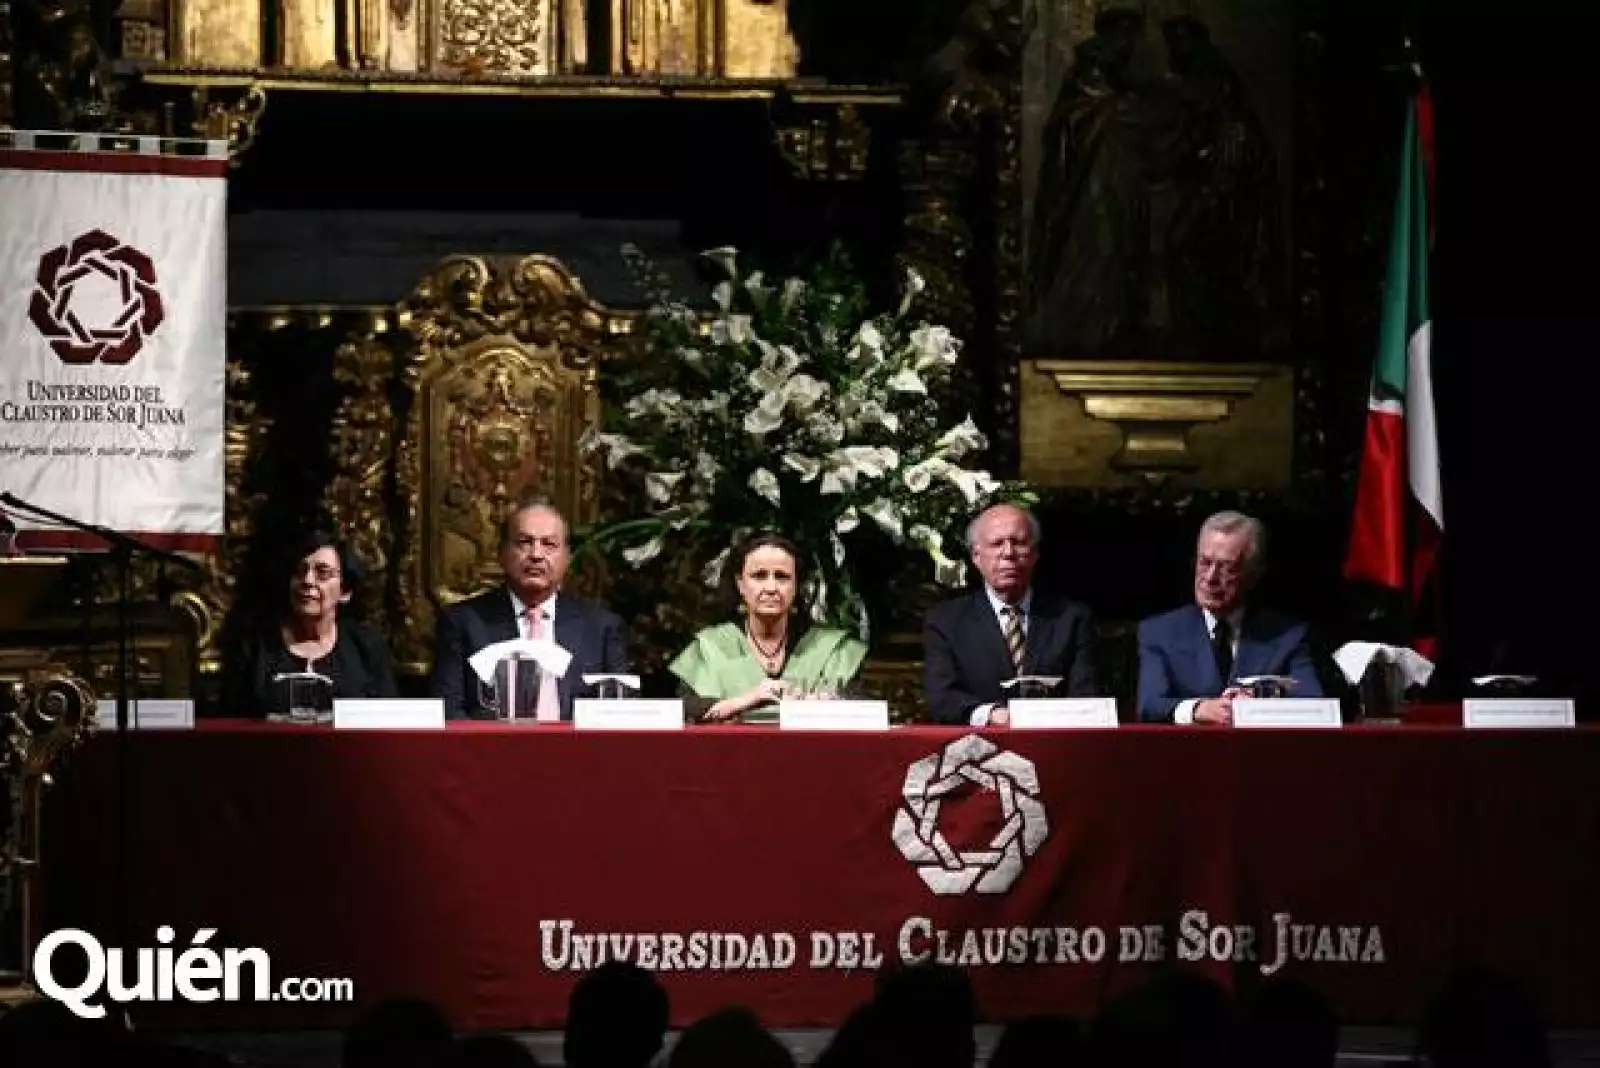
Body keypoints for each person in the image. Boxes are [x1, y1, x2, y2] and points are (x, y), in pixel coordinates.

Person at [432, 502, 631, 720]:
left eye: (549, 545)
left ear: (567, 558)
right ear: (502, 553)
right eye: (524, 543)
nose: (536, 554)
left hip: (577, 752)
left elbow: (619, 715)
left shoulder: (601, 627)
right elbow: (449, 712)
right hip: (493, 751)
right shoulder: (463, 622)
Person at [922, 503, 1100, 726]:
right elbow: (942, 698)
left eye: (1019, 543)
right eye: (997, 544)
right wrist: (993, 715)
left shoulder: (1071, 618)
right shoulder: (946, 621)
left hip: (1054, 744)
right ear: (976, 556)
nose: (1008, 553)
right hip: (979, 749)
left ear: (1035, 554)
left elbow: (1086, 696)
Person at [1137, 510, 1321, 724]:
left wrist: (1258, 703)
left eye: (1227, 568)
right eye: (1204, 562)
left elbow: (1314, 703)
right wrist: (1197, 709)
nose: (1210, 578)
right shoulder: (1159, 632)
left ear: (1253, 576)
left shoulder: (1288, 636)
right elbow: (1149, 705)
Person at [669, 533, 867, 723]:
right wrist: (749, 700)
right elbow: (684, 710)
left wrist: (820, 705)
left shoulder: (832, 649)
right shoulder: (710, 647)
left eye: (782, 577)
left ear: (796, 585)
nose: (771, 588)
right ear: (740, 584)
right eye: (759, 575)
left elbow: (862, 708)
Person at [221, 531, 399, 718]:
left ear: (345, 591)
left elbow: (388, 723)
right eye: (300, 571)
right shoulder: (254, 646)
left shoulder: (366, 648)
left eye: (322, 573)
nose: (307, 581)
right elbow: (229, 725)